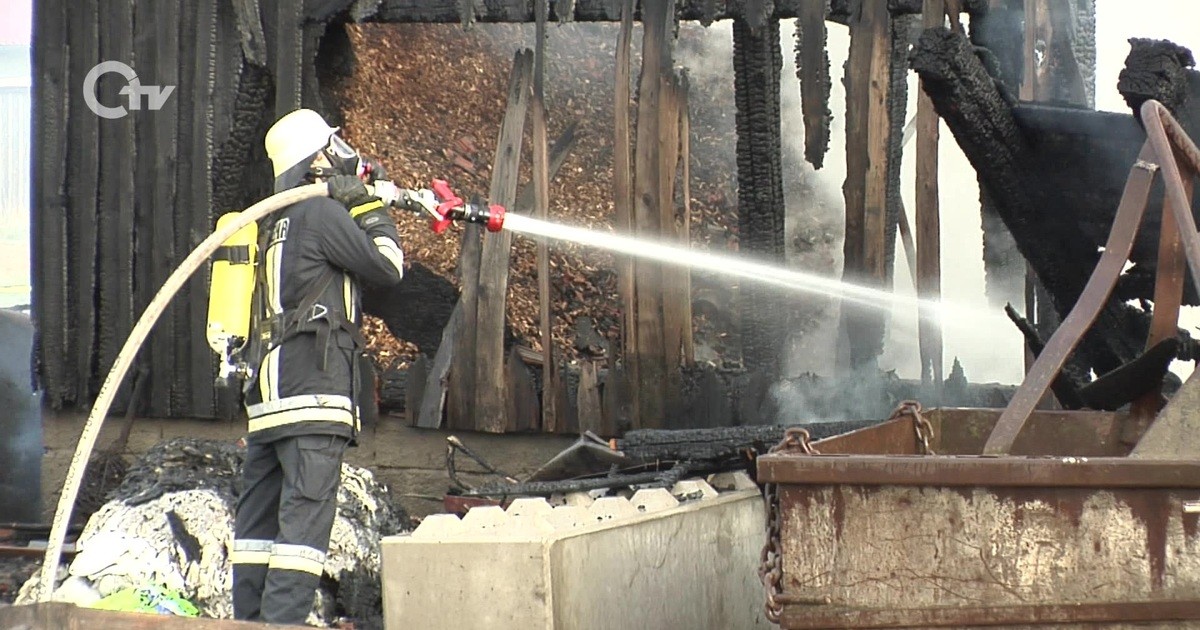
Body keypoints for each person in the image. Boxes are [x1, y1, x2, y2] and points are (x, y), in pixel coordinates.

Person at [230, 108, 405, 624]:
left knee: (258, 532)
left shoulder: (270, 221)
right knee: (301, 538)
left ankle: (247, 623)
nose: (345, 151)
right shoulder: (322, 216)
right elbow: (389, 267)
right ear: (319, 157)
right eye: (336, 144)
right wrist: (368, 205)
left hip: (268, 403)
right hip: (314, 395)